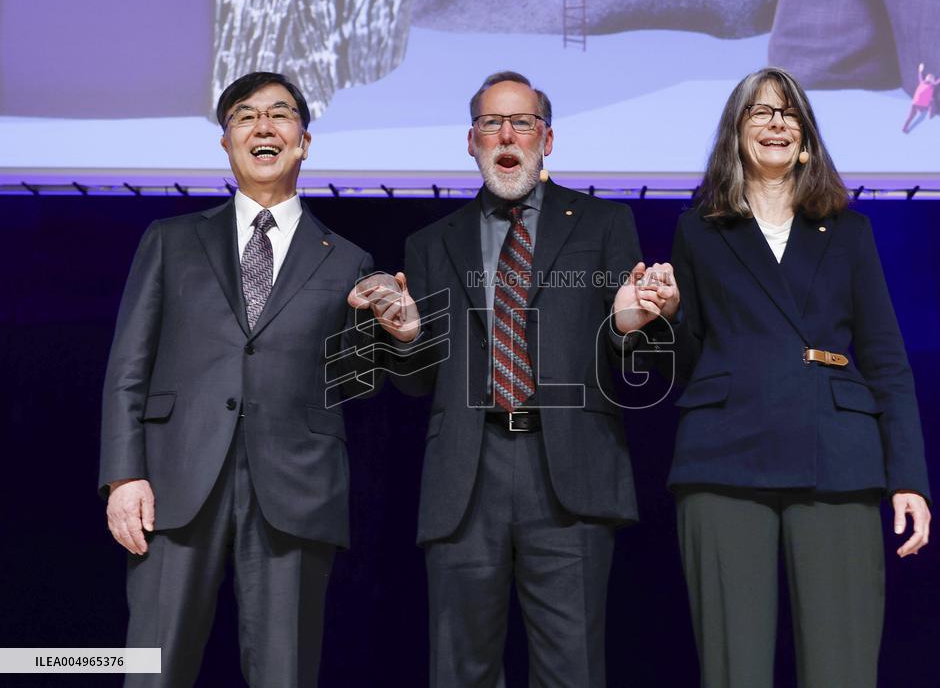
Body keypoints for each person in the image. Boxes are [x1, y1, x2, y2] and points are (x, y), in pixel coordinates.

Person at [350, 70, 676, 687]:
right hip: (465, 479)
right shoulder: (428, 242)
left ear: (546, 139)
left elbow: (632, 367)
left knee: (571, 670)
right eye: (491, 123)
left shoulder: (604, 224)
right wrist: (408, 337)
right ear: (470, 142)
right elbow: (418, 384)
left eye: (521, 122)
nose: (507, 134)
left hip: (571, 475)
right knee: (460, 670)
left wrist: (630, 326)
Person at [100, 71, 383, 687]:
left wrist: (395, 329)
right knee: (152, 670)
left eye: (279, 114)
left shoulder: (349, 259)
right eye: (244, 116)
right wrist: (123, 475)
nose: (262, 126)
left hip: (294, 487)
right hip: (175, 480)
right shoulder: (171, 240)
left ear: (303, 142)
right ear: (226, 144)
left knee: (284, 672)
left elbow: (355, 383)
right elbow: (129, 366)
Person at [662, 67, 932, 687]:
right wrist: (666, 318)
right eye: (759, 112)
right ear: (737, 134)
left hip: (836, 460)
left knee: (842, 670)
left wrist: (909, 478)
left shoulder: (850, 231)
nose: (776, 122)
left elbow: (887, 360)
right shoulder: (699, 230)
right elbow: (686, 361)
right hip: (724, 461)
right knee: (735, 673)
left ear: (806, 138)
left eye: (788, 113)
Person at [903, 63, 940, 133]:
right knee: (931, 101)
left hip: (918, 103)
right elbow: (936, 81)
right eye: (930, 77)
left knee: (912, 116)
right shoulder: (928, 83)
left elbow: (921, 76)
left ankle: (905, 127)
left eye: (931, 77)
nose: (930, 78)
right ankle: (930, 114)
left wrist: (920, 70)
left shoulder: (926, 83)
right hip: (919, 104)